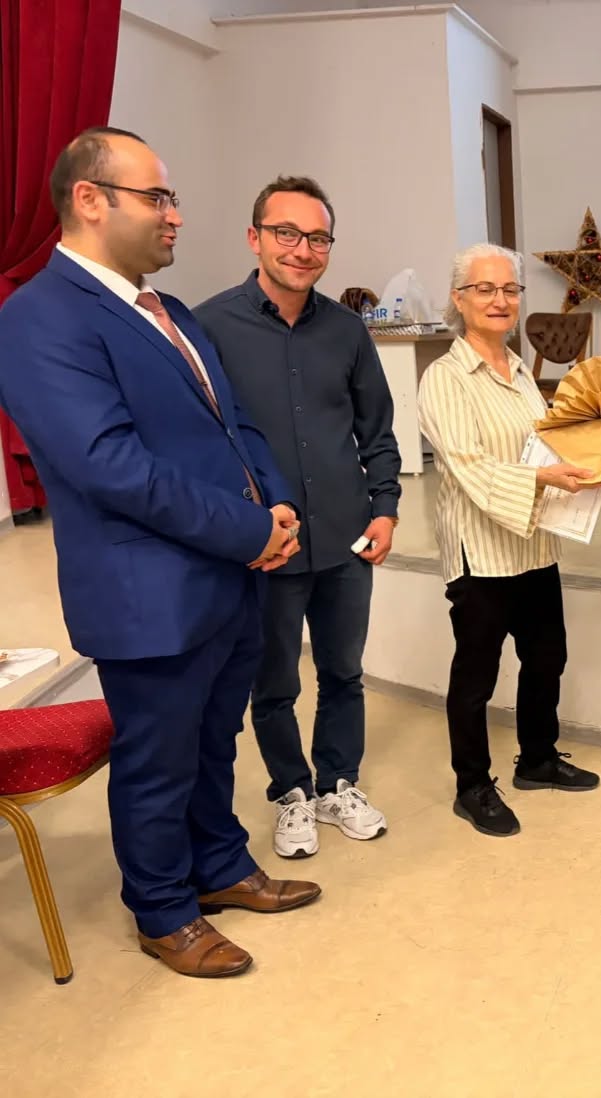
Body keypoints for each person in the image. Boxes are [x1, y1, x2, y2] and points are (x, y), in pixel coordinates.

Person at [0, 127, 320, 978]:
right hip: (149, 591)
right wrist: (248, 531)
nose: (175, 215)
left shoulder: (167, 310)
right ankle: (163, 910)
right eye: (157, 197)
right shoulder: (36, 318)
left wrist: (277, 504)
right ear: (90, 199)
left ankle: (219, 867)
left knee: (214, 742)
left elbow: (233, 422)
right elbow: (110, 466)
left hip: (227, 576)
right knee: (158, 760)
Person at [195, 177, 401, 859]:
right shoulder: (209, 327)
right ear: (254, 237)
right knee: (274, 682)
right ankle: (291, 791)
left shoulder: (346, 330)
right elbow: (202, 439)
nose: (302, 249)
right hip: (266, 545)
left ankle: (338, 784)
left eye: (317, 238)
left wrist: (386, 508)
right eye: (286, 233)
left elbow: (378, 432)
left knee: (344, 672)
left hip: (345, 536)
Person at [416, 243, 600, 838]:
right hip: (481, 552)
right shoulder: (444, 378)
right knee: (476, 676)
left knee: (548, 657)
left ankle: (538, 759)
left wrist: (593, 454)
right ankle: (472, 785)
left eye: (510, 290)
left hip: (533, 544)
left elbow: (540, 445)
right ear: (459, 298)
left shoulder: (521, 372)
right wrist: (544, 478)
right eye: (485, 289)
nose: (500, 300)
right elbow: (469, 466)